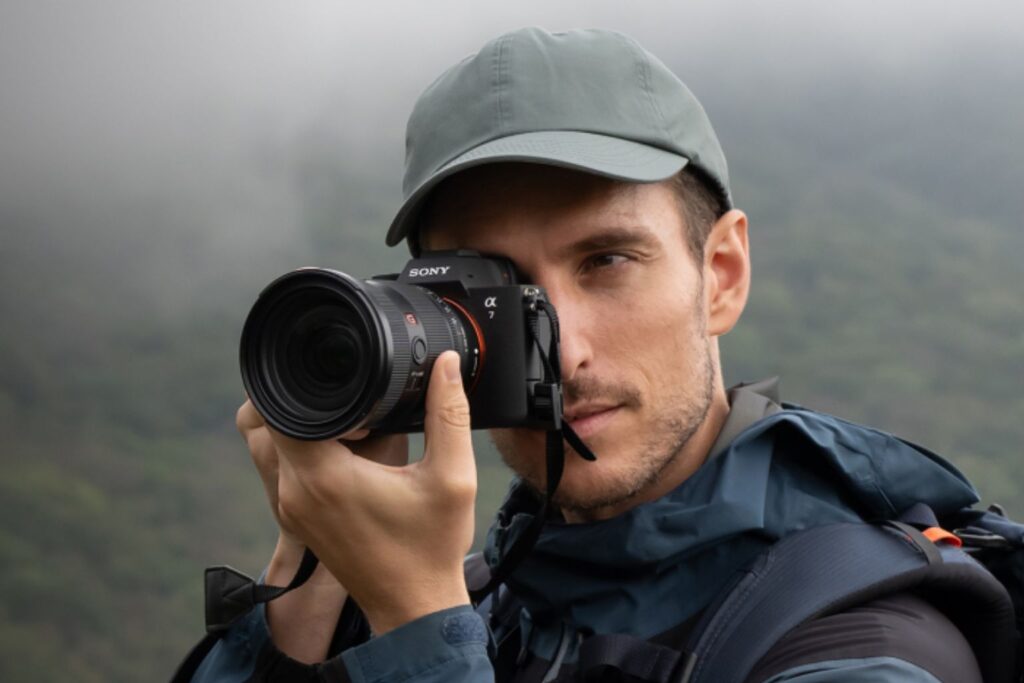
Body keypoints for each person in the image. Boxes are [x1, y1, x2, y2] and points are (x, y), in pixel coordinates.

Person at [186, 27, 990, 682]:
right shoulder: (484, 603)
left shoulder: (865, 638)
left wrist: (418, 625)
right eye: (496, 289)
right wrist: (309, 591)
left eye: (606, 260)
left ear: (721, 275)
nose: (562, 350)